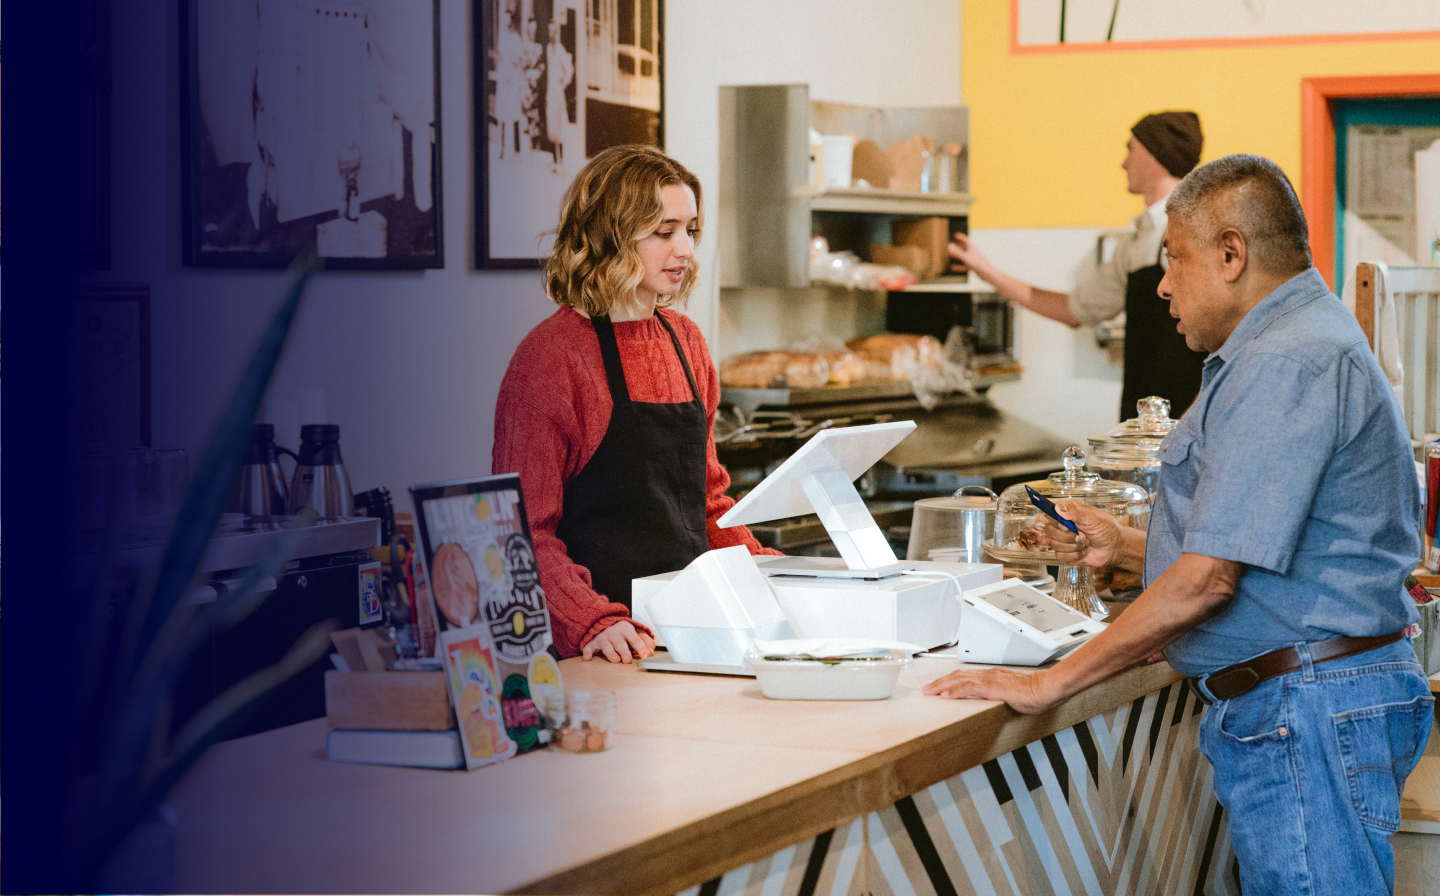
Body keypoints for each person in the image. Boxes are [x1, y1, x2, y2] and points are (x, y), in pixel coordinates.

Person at [925, 154, 1432, 894]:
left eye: (1174, 259)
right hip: (1311, 704)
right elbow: (1258, 543)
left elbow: (1208, 579)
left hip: (1308, 709)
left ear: (1232, 254)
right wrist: (1127, 545)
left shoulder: (1289, 360)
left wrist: (1050, 685)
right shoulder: (1284, 346)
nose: (1161, 284)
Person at [493, 145, 780, 664]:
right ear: (610, 235)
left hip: (691, 635)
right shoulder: (550, 359)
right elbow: (520, 532)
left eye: (690, 230)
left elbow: (708, 503)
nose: (686, 250)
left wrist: (761, 569)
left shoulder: (686, 340)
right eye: (663, 232)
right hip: (606, 648)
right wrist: (592, 620)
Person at [948, 112, 1208, 419]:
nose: (1123, 163)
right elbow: (1073, 310)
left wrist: (1189, 429)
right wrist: (987, 271)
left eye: (1131, 149)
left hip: (1179, 431)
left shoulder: (1188, 232)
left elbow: (1219, 346)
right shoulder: (1135, 244)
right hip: (1142, 432)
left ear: (1155, 156)